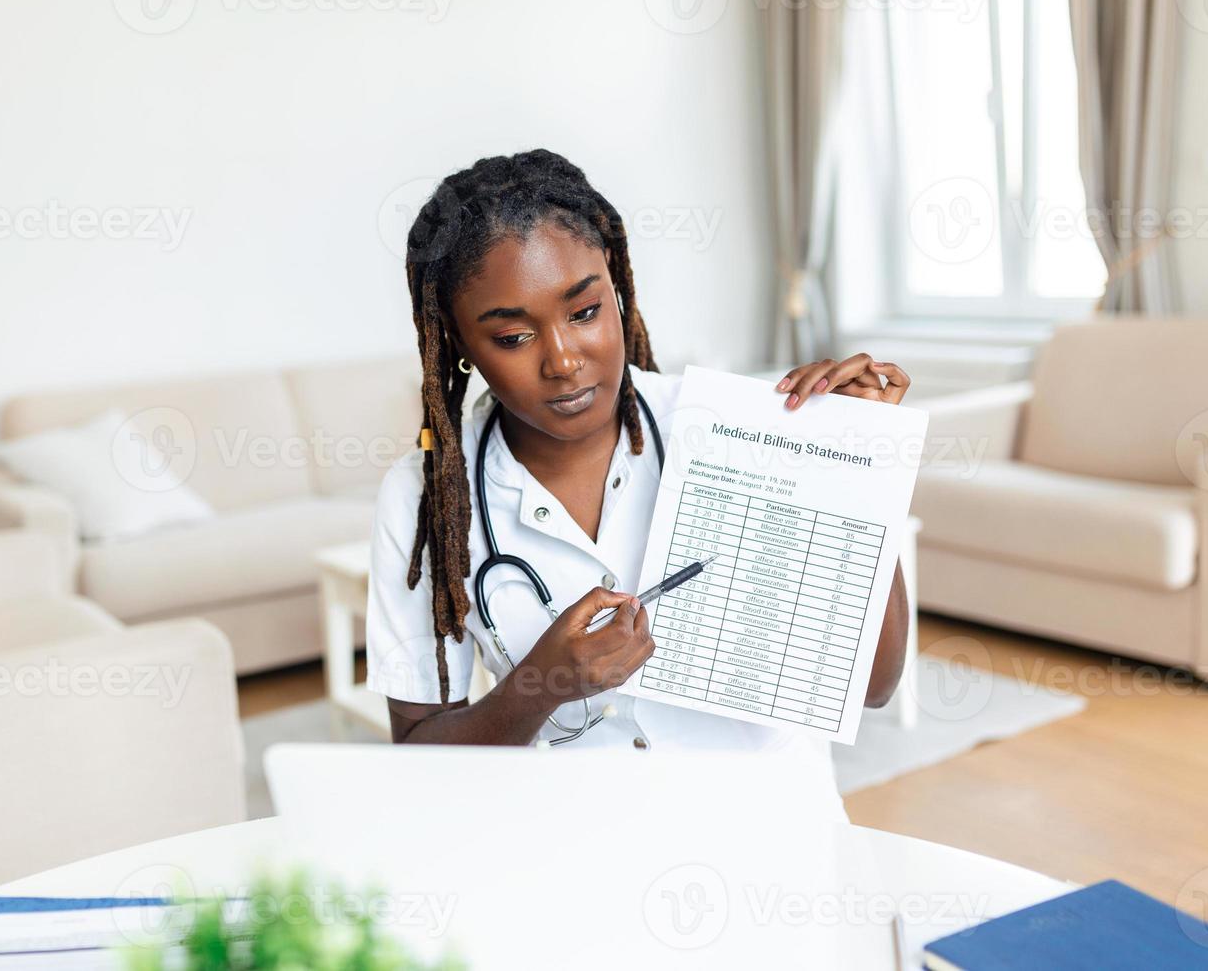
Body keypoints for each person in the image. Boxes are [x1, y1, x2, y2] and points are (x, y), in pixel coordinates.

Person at [364, 150, 911, 809]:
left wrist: (859, 464)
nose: (564, 360)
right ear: (456, 343)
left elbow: (875, 685)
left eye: (585, 312)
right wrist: (539, 684)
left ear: (617, 289)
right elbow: (419, 765)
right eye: (512, 338)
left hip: (770, 835)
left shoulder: (738, 430)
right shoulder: (425, 501)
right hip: (576, 851)